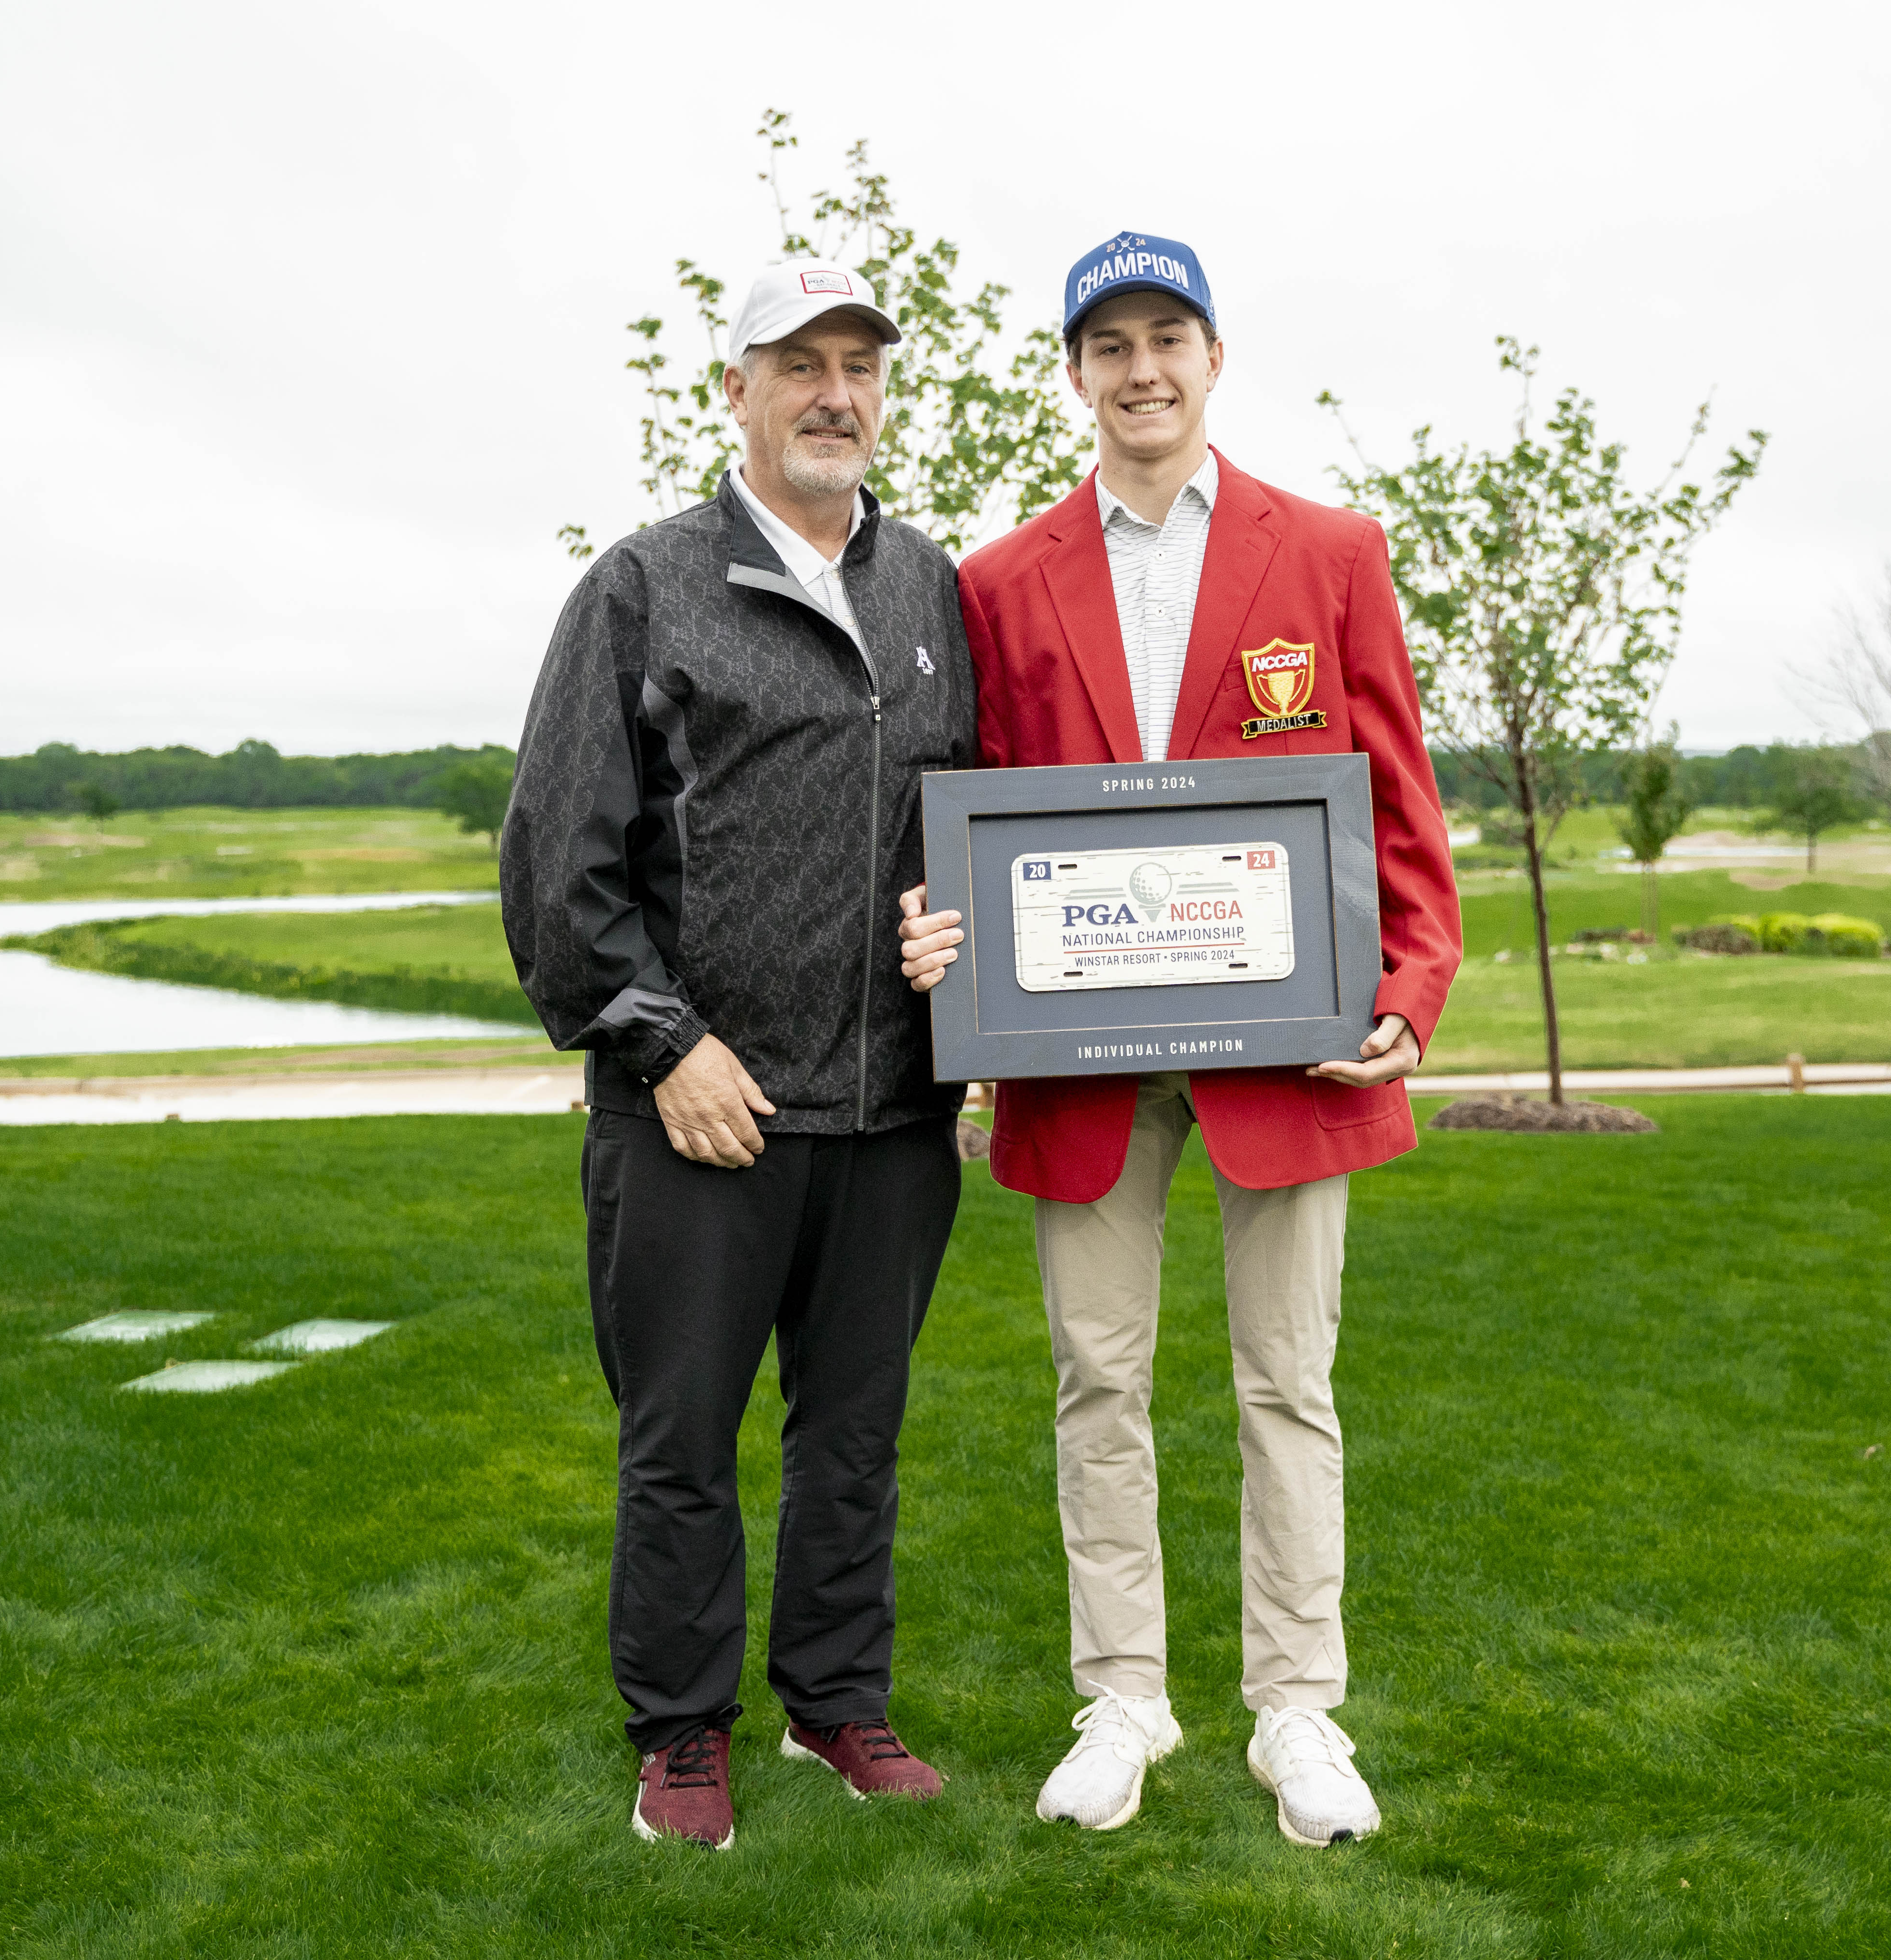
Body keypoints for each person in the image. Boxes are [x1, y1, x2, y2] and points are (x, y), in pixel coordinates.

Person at [897, 231, 1460, 1847]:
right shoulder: (997, 582)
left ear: (1214, 358)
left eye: (1168, 337)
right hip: (1078, 1066)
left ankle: (1298, 1706)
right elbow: (973, 812)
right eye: (1108, 345)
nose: (1140, 369)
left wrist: (1408, 995)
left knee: (1289, 1383)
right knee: (1099, 1382)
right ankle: (1124, 1694)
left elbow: (1401, 808)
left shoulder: (1332, 550)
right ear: (1073, 373)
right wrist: (954, 953)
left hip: (1290, 1050)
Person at [503, 256, 975, 1850]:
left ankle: (836, 1706)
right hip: (699, 1115)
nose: (834, 391)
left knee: (853, 1440)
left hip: (893, 1112)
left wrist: (955, 930)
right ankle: (681, 1735)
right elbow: (559, 875)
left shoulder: (932, 595)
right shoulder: (644, 587)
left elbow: (965, 830)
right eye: (798, 364)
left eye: (859, 365)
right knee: (680, 1445)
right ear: (737, 392)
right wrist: (665, 1045)